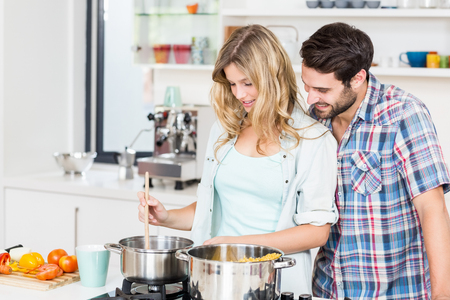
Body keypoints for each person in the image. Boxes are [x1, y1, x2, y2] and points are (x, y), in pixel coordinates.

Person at [138, 24, 338, 295]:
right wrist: (166, 217)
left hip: (272, 284)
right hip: (215, 280)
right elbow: (213, 208)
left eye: (247, 83)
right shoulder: (223, 131)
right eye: (232, 83)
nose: (239, 94)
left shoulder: (313, 139)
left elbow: (316, 232)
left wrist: (235, 246)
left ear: (273, 77)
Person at [300, 22, 450, 299]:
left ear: (357, 78)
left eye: (322, 89)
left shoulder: (403, 114)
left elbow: (433, 209)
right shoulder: (314, 121)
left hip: (395, 292)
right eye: (306, 85)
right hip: (327, 289)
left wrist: (443, 295)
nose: (311, 98)